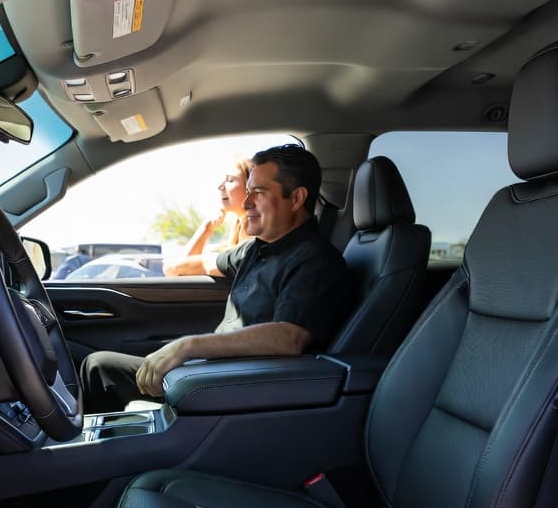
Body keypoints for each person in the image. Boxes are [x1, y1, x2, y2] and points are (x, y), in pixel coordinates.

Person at [79, 144, 353, 413]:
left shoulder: (315, 260)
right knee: (99, 367)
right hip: (216, 369)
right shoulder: (254, 249)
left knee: (100, 367)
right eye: (247, 192)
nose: (245, 204)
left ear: (296, 199)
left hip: (243, 386)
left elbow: (289, 338)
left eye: (258, 193)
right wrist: (180, 260)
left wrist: (187, 346)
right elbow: (198, 264)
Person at [163, 159, 253, 276]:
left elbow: (175, 268)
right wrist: (207, 228)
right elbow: (183, 273)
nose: (220, 186)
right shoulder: (236, 239)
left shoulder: (256, 242)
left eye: (230, 180)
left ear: (251, 187)